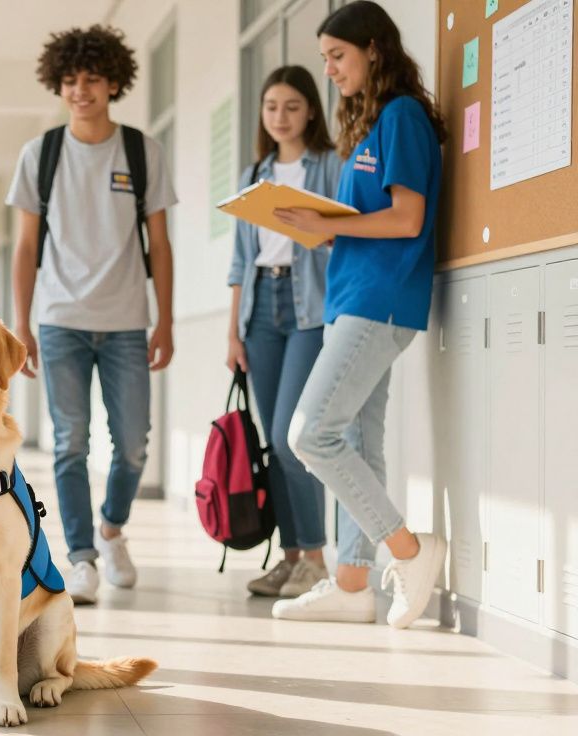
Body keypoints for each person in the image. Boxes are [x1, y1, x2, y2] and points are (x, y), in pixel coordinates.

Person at [270, 0, 448, 628]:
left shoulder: (401, 117)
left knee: (308, 434)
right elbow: (362, 226)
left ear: (375, 48)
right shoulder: (368, 126)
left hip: (382, 300)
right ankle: (351, 583)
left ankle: (408, 549)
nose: (330, 71)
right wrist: (319, 228)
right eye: (325, 60)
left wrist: (328, 226)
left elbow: (408, 217)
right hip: (353, 297)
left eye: (337, 56)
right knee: (353, 440)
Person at [7, 25, 177, 605]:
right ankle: (80, 557)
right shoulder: (42, 154)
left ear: (113, 84)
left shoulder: (141, 150)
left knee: (132, 445)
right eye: (72, 80)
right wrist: (21, 325)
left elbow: (160, 243)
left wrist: (167, 320)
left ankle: (111, 529)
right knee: (70, 442)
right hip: (59, 320)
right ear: (60, 84)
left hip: (128, 318)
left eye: (93, 80)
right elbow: (27, 247)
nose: (82, 90)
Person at [228, 66, 341, 598]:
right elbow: (238, 263)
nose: (280, 116)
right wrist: (234, 333)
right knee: (272, 445)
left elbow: (345, 237)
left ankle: (316, 557)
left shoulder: (329, 166)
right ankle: (292, 557)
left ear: (311, 110)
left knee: (288, 437)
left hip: (307, 308)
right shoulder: (257, 171)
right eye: (271, 106)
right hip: (260, 311)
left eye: (291, 106)